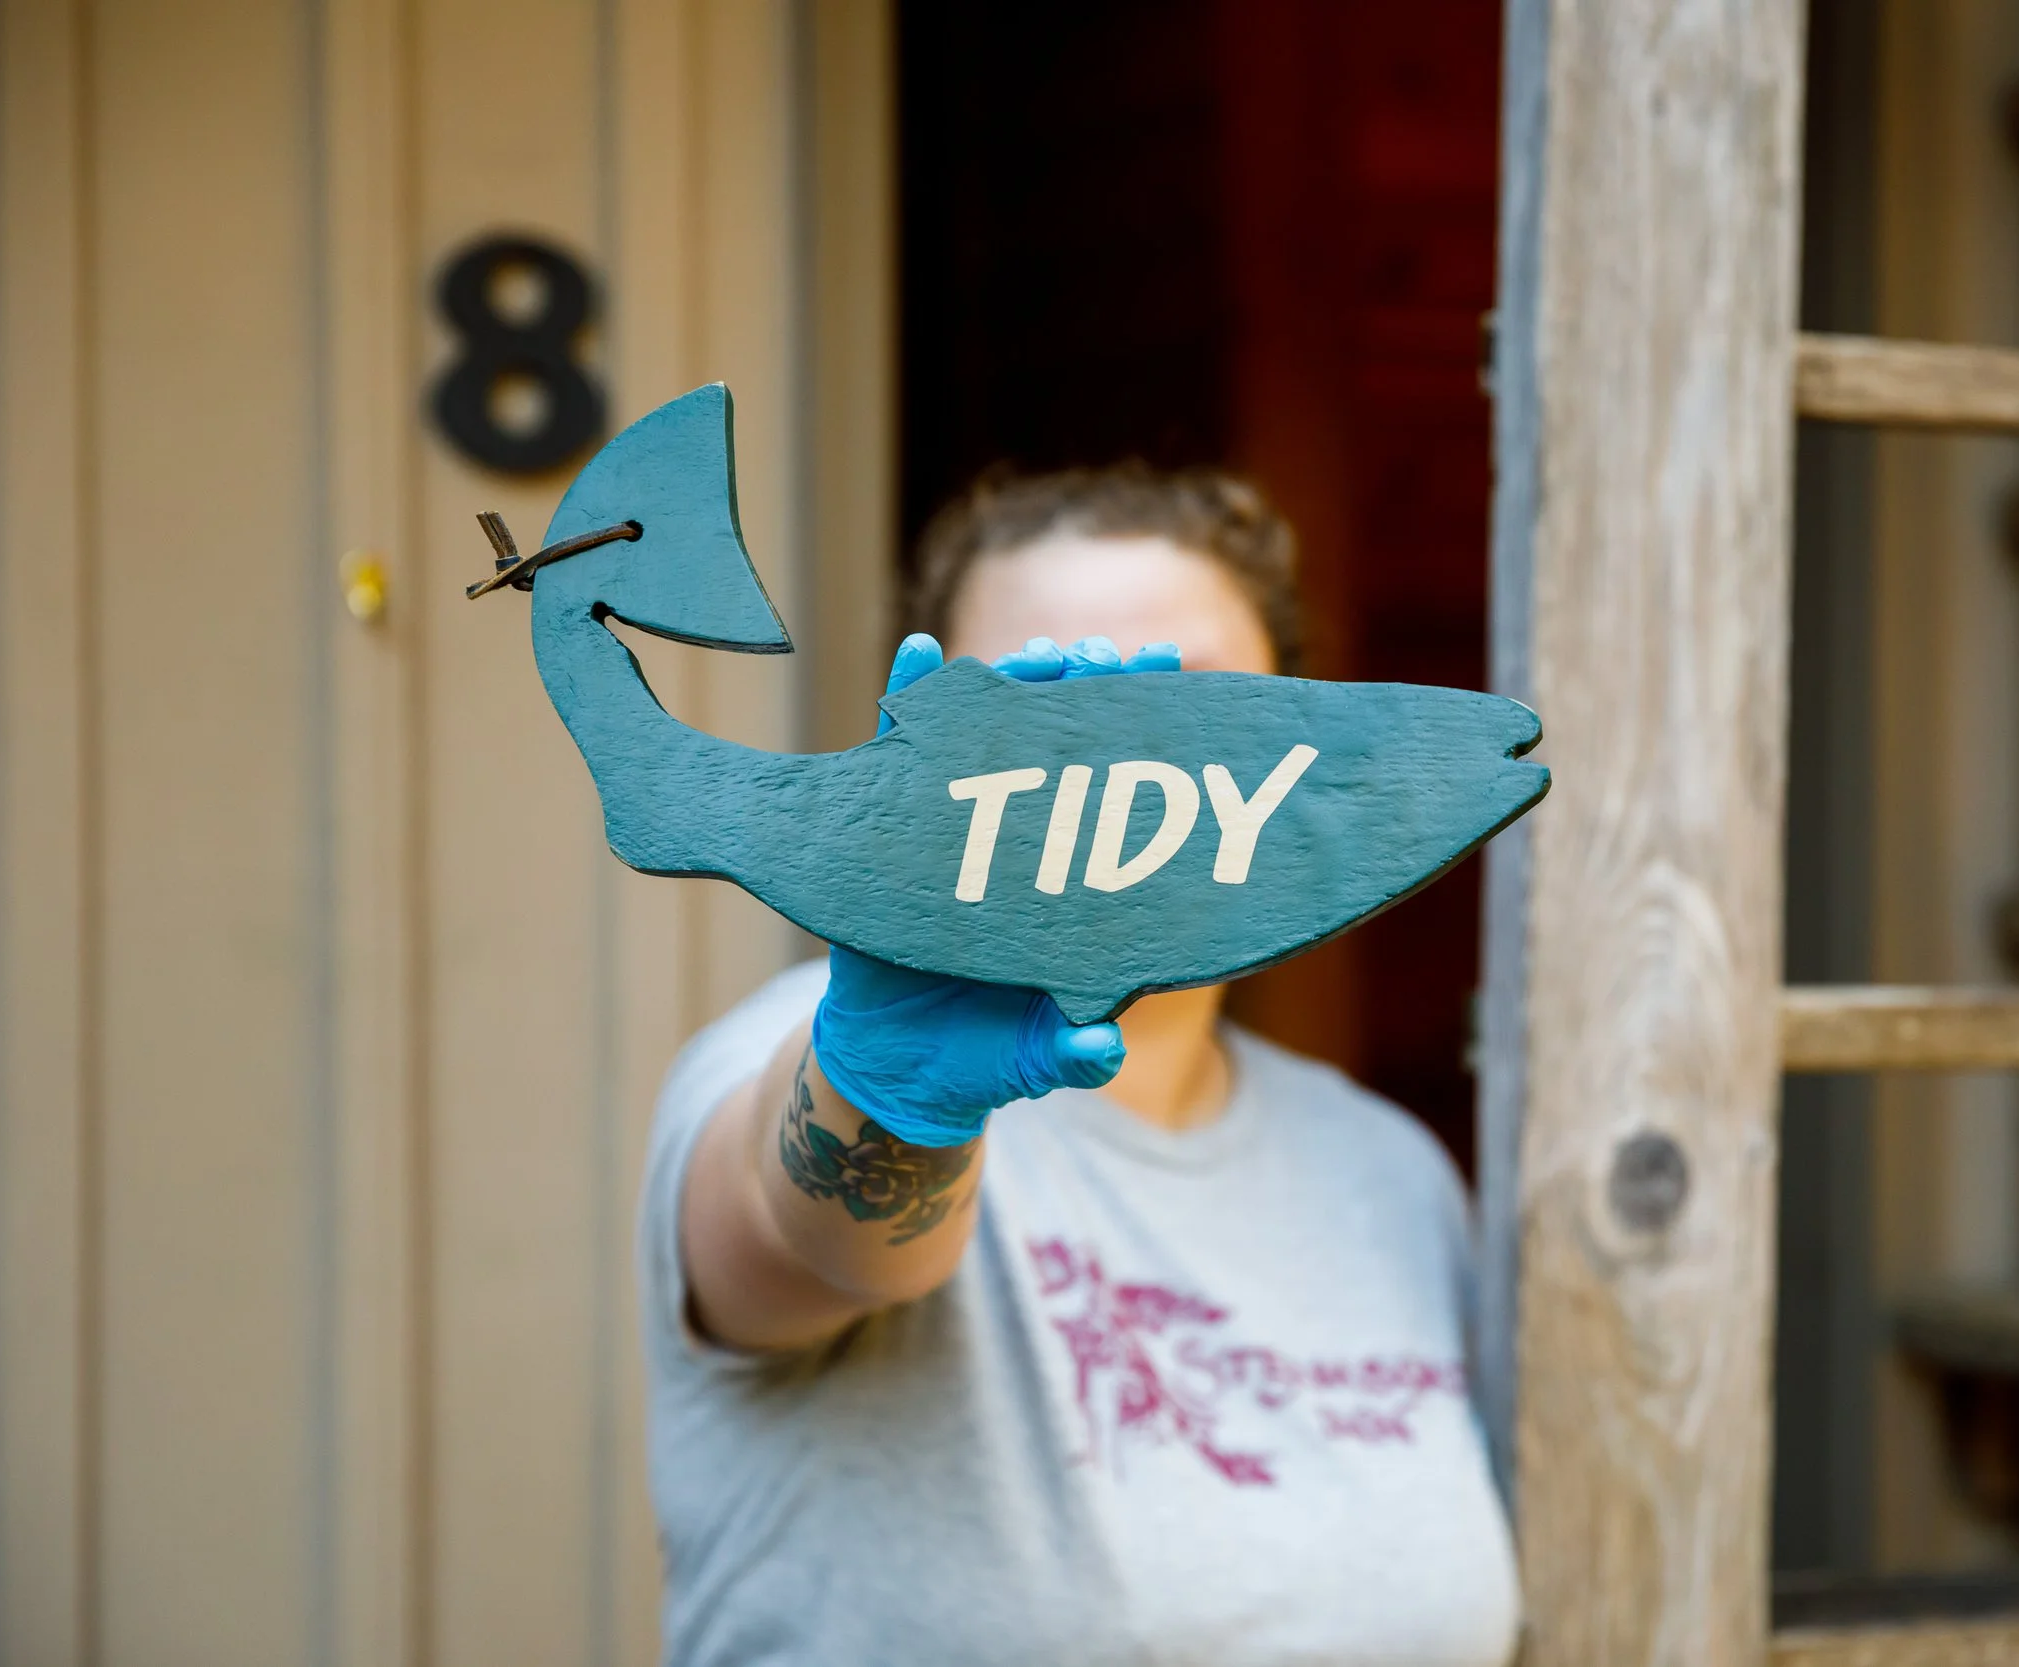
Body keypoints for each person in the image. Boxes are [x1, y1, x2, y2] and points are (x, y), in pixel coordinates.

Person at [638, 466, 1521, 1665]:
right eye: (1048, 693)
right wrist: (883, 1093)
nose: (1119, 750)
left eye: (1194, 694)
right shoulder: (808, 1047)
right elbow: (799, 1227)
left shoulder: (1388, 1170)